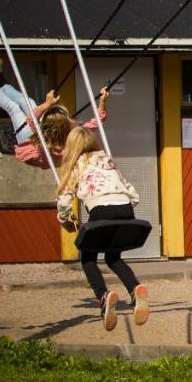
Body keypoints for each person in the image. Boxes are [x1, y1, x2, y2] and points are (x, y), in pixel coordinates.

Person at [56, 126, 148, 332]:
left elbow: (64, 199)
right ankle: (135, 289)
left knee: (88, 258)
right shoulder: (107, 161)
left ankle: (104, 297)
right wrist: (121, 210)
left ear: (72, 146)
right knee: (113, 257)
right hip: (125, 210)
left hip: (101, 212)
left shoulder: (76, 164)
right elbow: (134, 195)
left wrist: (64, 220)